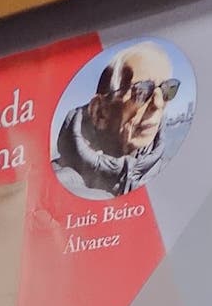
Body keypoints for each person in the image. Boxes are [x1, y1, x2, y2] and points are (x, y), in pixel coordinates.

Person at [53, 41, 179, 198]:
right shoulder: (58, 187)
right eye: (142, 91)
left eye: (168, 89)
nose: (158, 104)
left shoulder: (178, 173)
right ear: (99, 112)